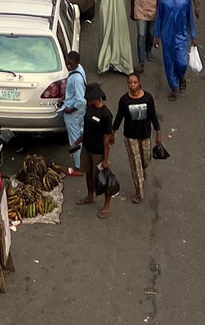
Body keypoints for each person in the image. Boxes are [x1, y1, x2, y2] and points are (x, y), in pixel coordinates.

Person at [115, 72, 160, 206]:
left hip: (145, 135)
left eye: (135, 82)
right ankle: (139, 191)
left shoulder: (148, 98)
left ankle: (142, 170)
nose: (132, 85)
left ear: (139, 83)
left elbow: (153, 116)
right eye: (130, 83)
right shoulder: (124, 100)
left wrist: (158, 133)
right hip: (130, 136)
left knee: (145, 160)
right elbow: (119, 117)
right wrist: (112, 132)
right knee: (136, 163)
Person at [154, 0, 197, 100]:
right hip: (167, 35)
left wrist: (193, 35)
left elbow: (190, 18)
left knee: (182, 62)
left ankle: (181, 77)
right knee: (169, 62)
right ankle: (174, 87)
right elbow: (159, 18)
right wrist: (157, 35)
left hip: (181, 35)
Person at [77, 83, 116, 219]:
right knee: (88, 173)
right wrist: (77, 142)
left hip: (98, 151)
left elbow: (106, 138)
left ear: (97, 98)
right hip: (87, 147)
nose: (88, 101)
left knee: (103, 179)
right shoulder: (89, 108)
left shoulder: (105, 114)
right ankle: (90, 195)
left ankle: (107, 205)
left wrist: (105, 159)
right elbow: (86, 128)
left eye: (90, 99)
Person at [129, 0, 160, 68]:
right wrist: (132, 10)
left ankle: (148, 50)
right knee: (141, 34)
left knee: (150, 33)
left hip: (152, 10)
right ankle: (141, 60)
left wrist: (159, 12)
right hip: (139, 10)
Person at [60, 50, 87, 171]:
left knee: (75, 139)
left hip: (74, 113)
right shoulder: (79, 69)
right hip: (75, 111)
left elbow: (81, 101)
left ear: (77, 63)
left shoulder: (77, 80)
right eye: (67, 63)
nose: (69, 66)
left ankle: (78, 166)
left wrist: (70, 109)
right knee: (79, 134)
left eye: (71, 65)